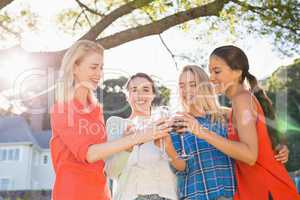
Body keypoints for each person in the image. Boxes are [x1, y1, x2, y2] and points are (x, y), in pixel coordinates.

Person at [172, 45, 299, 200]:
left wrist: (201, 131)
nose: (211, 78)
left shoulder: (242, 100)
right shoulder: (233, 108)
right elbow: (263, 137)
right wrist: (278, 146)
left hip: (268, 191)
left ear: (237, 72)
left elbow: (249, 155)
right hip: (252, 191)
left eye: (217, 71)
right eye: (210, 71)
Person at [50, 41, 169, 200]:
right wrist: (139, 137)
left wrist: (127, 141)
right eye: (94, 67)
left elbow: (106, 160)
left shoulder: (96, 110)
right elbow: (90, 153)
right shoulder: (62, 109)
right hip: (73, 193)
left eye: (101, 67)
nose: (99, 74)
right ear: (75, 67)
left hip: (101, 194)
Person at [105, 73, 178, 200]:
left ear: (153, 95)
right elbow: (111, 172)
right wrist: (128, 145)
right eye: (134, 90)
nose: (140, 95)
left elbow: (180, 165)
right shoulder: (117, 124)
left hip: (166, 195)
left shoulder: (166, 123)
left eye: (145, 89)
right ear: (127, 95)